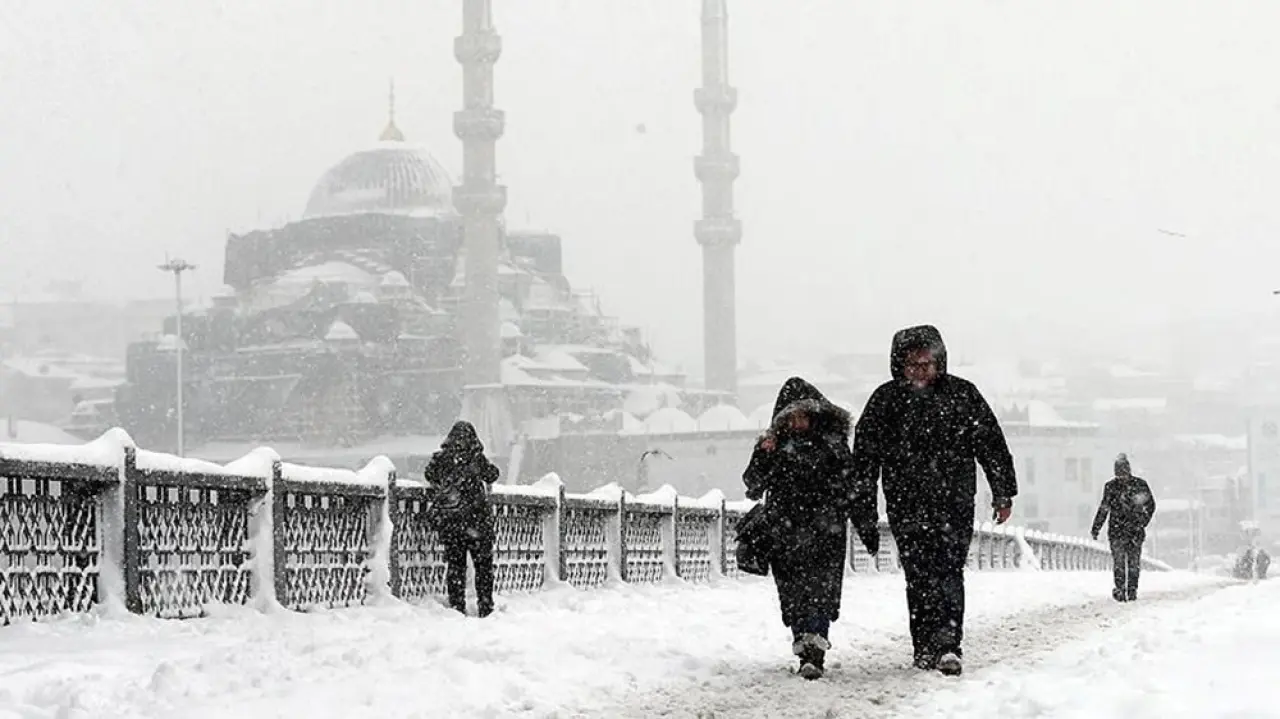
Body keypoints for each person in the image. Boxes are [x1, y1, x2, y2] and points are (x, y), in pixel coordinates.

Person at [849, 325, 1017, 676]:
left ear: (939, 362)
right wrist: (864, 509)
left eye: (927, 363)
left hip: (953, 502)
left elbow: (990, 444)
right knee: (918, 574)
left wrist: (1003, 491)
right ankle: (924, 645)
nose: (921, 371)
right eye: (913, 364)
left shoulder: (962, 395)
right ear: (901, 365)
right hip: (906, 504)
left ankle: (948, 644)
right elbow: (864, 460)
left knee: (949, 571)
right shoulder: (885, 402)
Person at [742, 377, 879, 681]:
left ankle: (814, 649)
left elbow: (853, 489)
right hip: (785, 532)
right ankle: (803, 642)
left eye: (804, 415)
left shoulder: (833, 446)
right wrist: (763, 454)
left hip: (825, 533)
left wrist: (866, 526)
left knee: (820, 591)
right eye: (792, 416)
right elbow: (753, 486)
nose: (799, 422)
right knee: (793, 593)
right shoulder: (775, 447)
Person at [423, 420, 501, 617]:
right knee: (483, 567)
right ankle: (485, 606)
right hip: (477, 522)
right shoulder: (476, 458)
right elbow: (492, 475)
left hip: (452, 523)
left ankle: (457, 606)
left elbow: (429, 474)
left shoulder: (443, 459)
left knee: (456, 567)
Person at [1090, 453, 1156, 602]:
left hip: (1121, 530)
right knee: (1128, 562)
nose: (1121, 477)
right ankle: (1124, 589)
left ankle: (1128, 589)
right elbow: (1150, 505)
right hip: (1129, 531)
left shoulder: (1113, 487)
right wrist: (1142, 521)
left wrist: (1097, 527)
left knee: (1127, 562)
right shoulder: (1138, 485)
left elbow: (1104, 508)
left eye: (1122, 473)